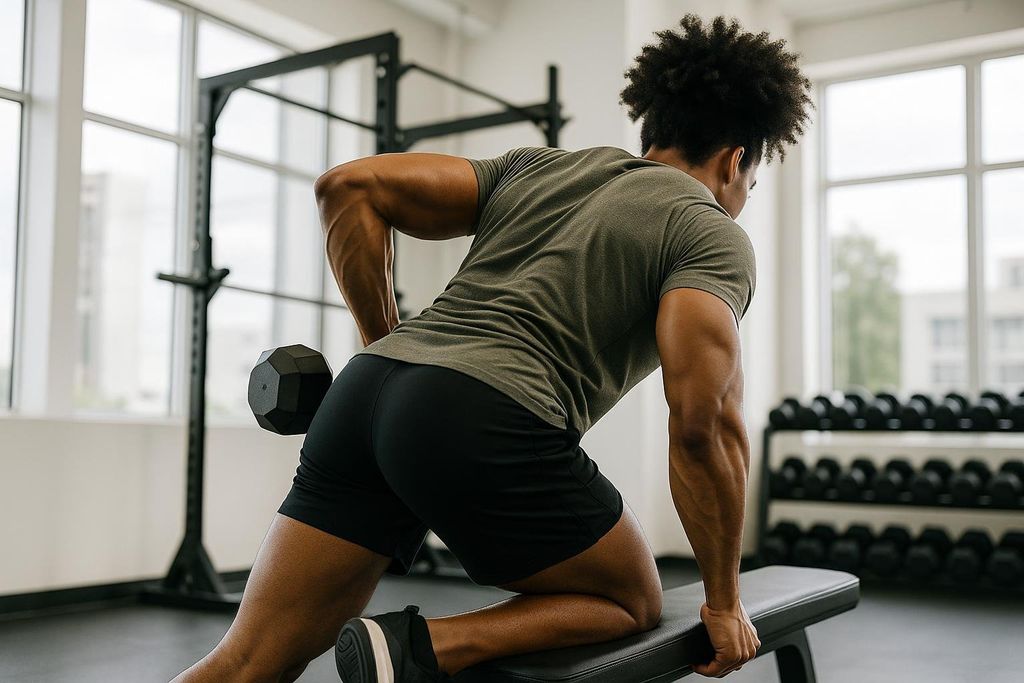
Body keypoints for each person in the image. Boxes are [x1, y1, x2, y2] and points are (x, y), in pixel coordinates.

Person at [174, 13, 811, 683]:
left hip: (363, 396)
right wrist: (725, 601)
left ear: (654, 129)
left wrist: (383, 341)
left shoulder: (536, 170)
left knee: (246, 661)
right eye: (751, 183)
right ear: (735, 159)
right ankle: (418, 648)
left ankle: (396, 652)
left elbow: (348, 187)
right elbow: (704, 422)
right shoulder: (709, 230)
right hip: (480, 416)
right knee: (631, 597)